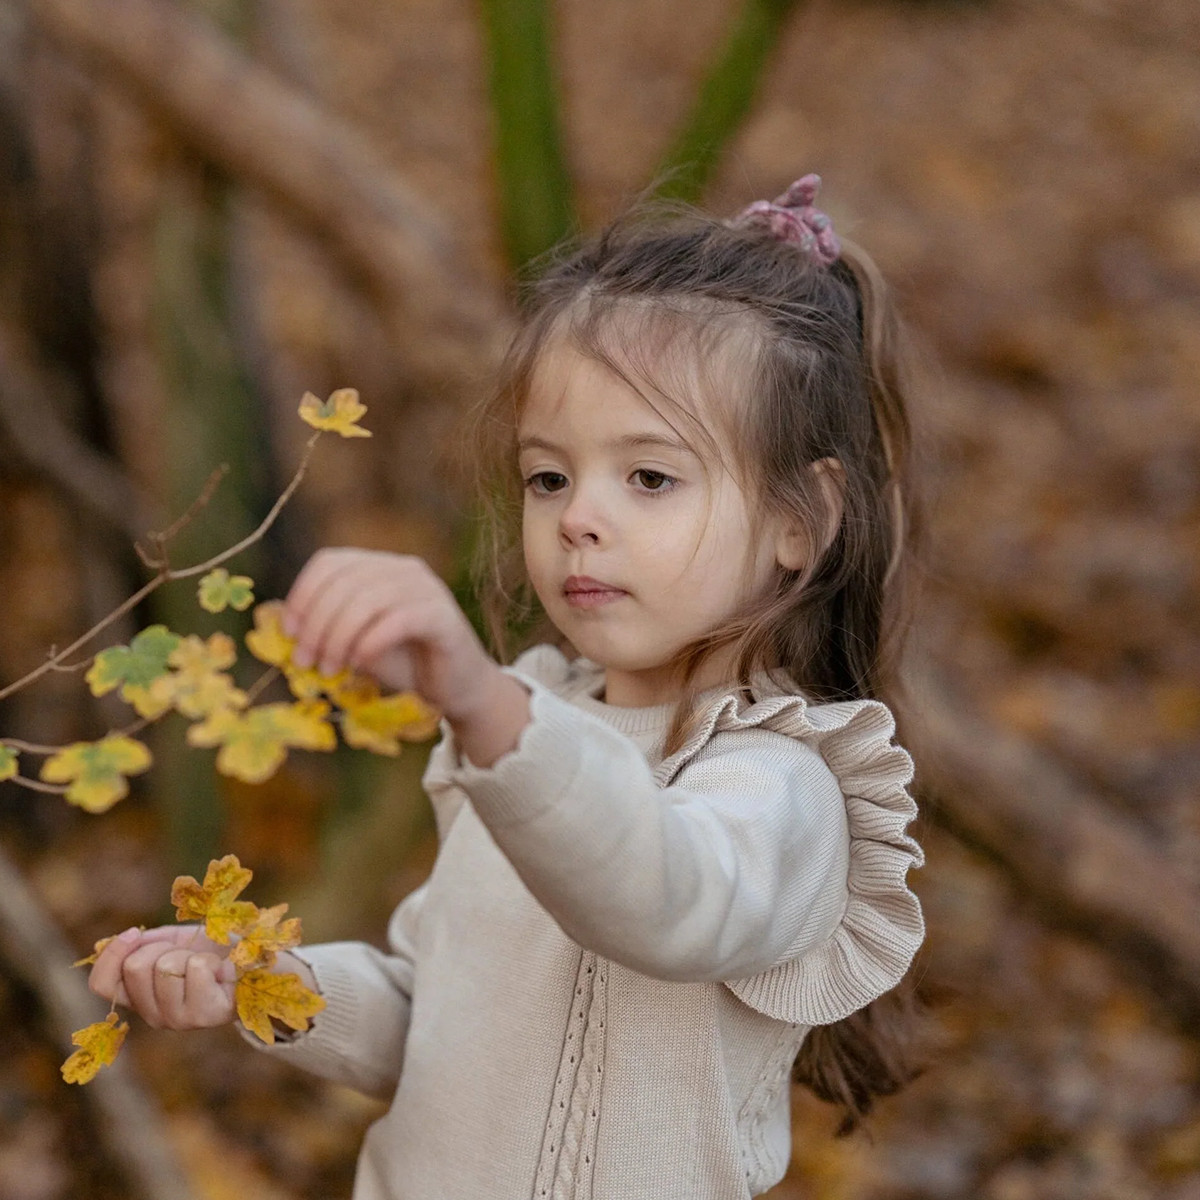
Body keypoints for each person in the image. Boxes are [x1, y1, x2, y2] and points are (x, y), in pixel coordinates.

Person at [89, 175, 927, 1199]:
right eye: (549, 477)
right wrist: (259, 982)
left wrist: (483, 705)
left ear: (804, 520)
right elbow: (432, 1024)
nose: (579, 517)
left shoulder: (782, 790)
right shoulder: (526, 739)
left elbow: (660, 895)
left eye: (650, 478)